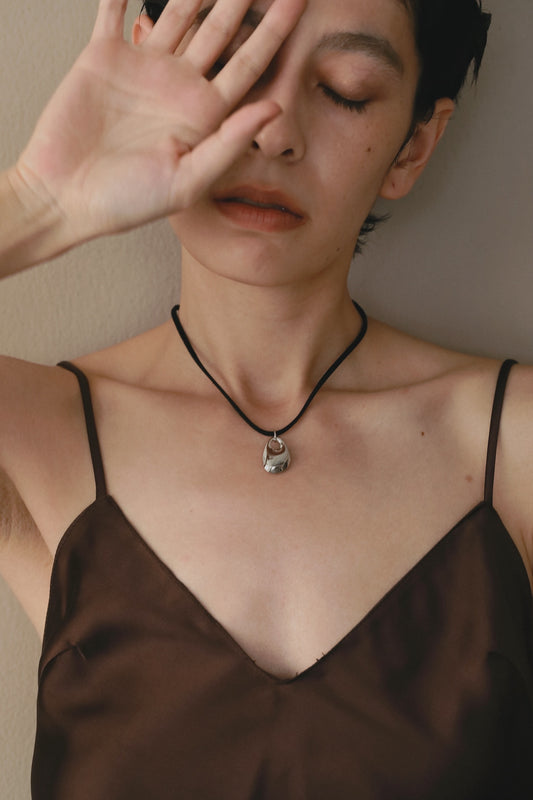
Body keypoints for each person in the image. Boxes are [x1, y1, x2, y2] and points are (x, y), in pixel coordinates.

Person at [1, 0, 532, 797]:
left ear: (412, 145)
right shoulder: (33, 428)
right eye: (230, 62)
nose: (274, 132)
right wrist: (39, 202)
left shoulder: (514, 441)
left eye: (345, 90)